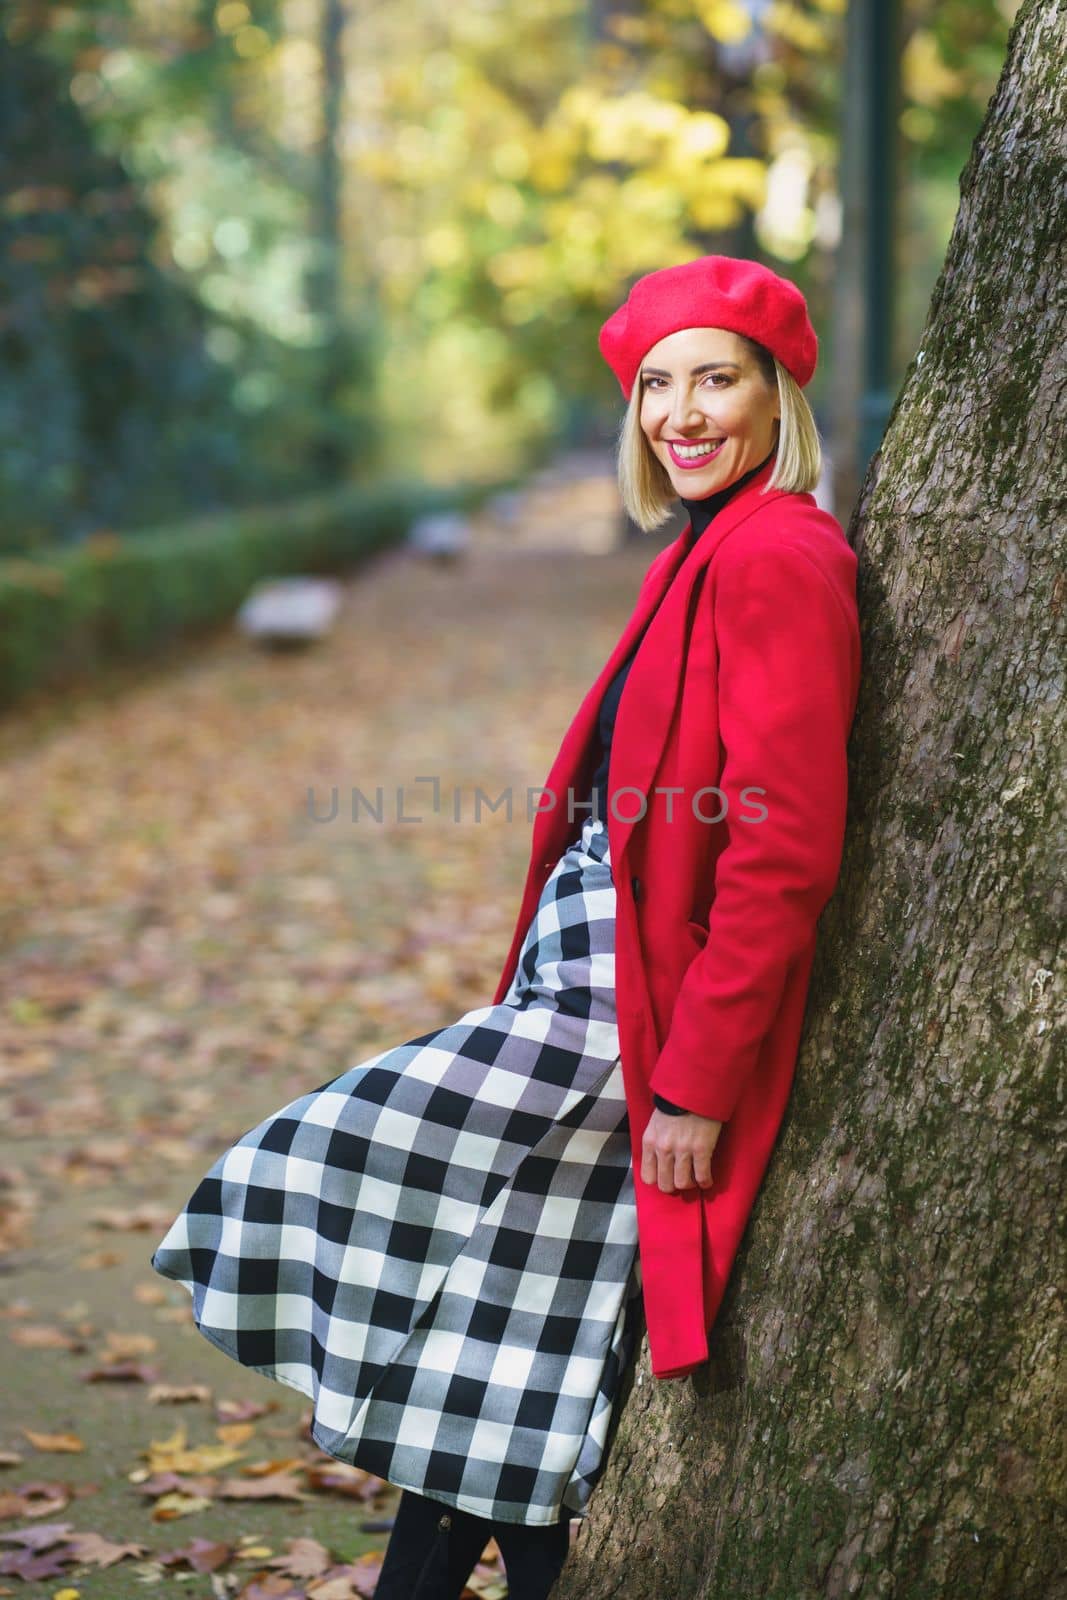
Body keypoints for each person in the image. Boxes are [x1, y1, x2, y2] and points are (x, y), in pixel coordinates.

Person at [149, 255, 860, 1599]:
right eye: (658, 385)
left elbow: (782, 849)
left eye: (717, 379)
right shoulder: (707, 546)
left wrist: (695, 1083)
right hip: (587, 983)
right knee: (506, 1354)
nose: (682, 412)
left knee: (325, 1158)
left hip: (635, 1020)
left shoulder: (778, 557)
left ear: (780, 395)